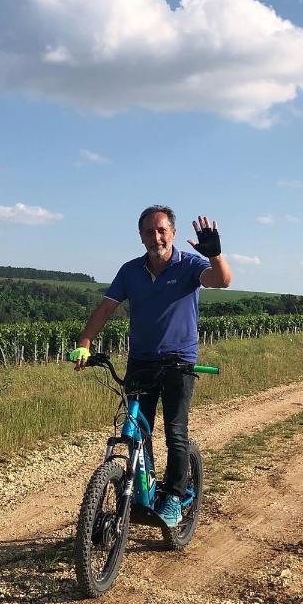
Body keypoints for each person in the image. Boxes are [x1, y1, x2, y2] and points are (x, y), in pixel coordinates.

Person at [73, 207, 232, 527]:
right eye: (149, 231)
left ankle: (173, 496)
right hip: (141, 362)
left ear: (172, 232)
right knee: (135, 429)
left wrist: (215, 255)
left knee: (175, 432)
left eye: (161, 230)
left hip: (179, 364)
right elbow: (106, 308)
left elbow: (221, 280)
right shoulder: (130, 270)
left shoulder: (189, 265)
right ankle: (139, 491)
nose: (156, 237)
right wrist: (85, 343)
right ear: (141, 235)